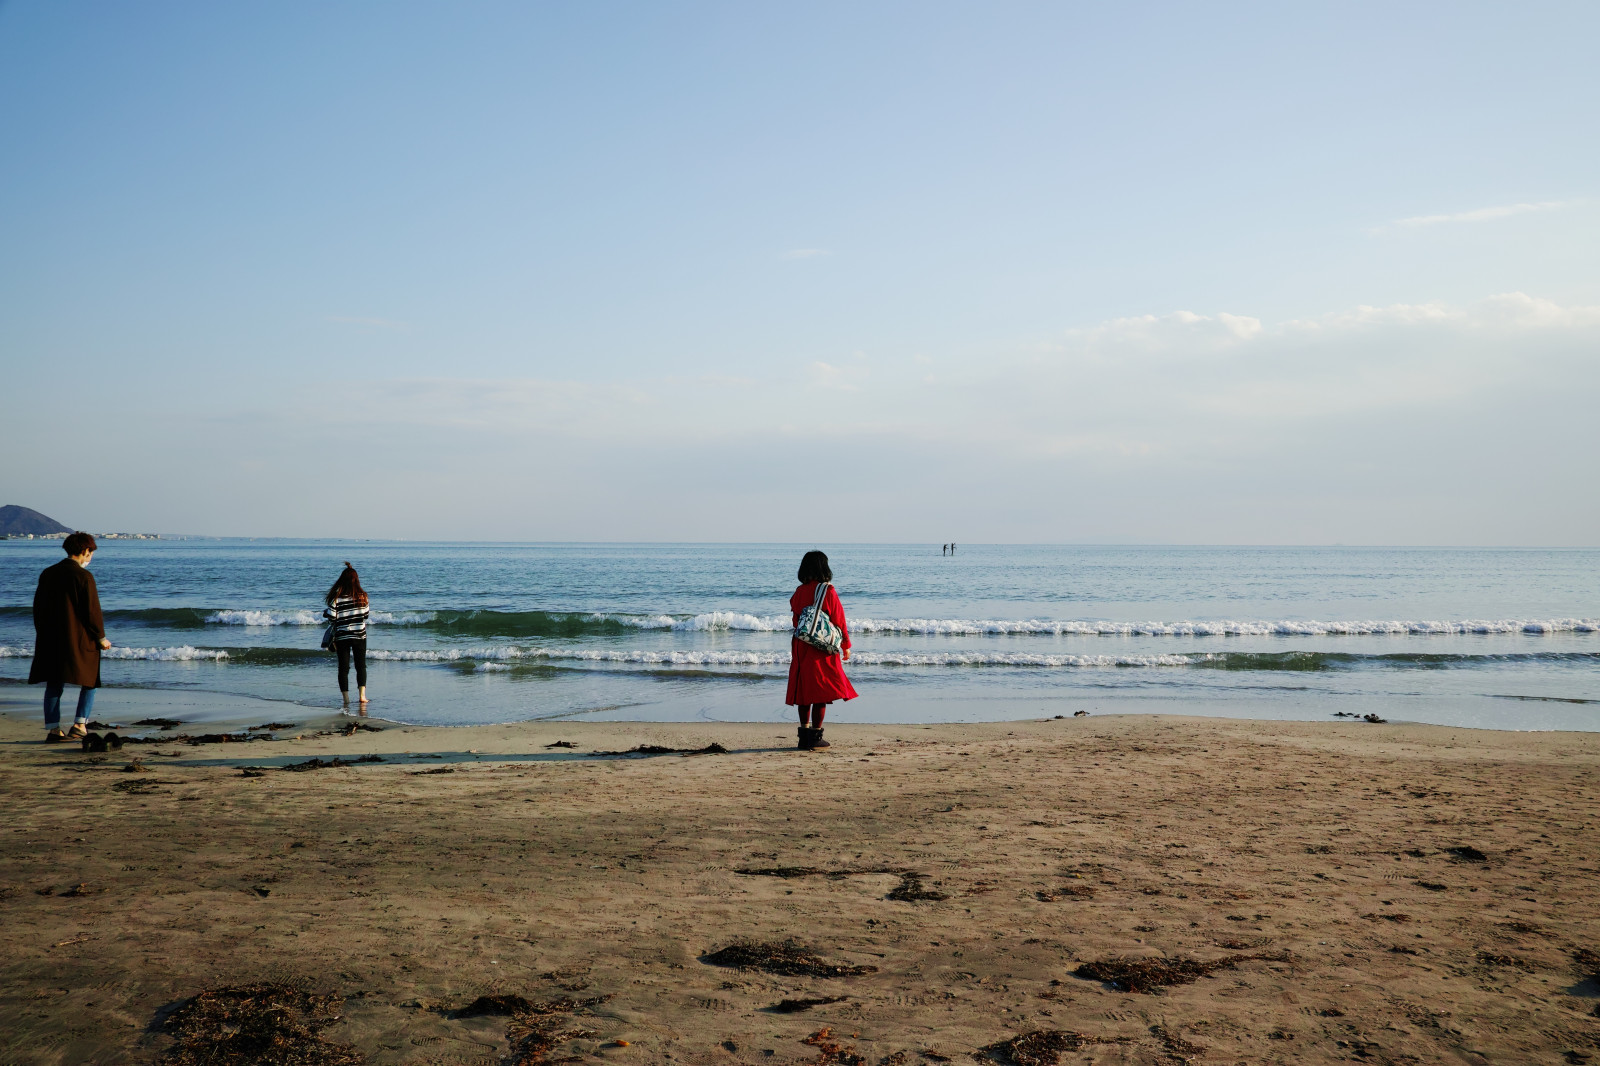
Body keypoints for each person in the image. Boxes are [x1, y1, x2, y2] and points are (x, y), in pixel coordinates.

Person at [29, 532, 111, 742]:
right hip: (80, 640)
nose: (91, 556)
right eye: (90, 552)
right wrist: (101, 637)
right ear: (85, 551)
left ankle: (53, 728)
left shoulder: (48, 573)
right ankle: (80, 724)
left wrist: (42, 632)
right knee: (90, 680)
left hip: (51, 638)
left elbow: (38, 608)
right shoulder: (84, 577)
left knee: (55, 682)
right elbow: (92, 611)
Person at [786, 550, 857, 750]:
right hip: (822, 646)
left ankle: (803, 736)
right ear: (824, 567)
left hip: (801, 644)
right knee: (820, 690)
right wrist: (846, 645)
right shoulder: (828, 591)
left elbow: (796, 620)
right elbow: (839, 621)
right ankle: (816, 736)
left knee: (803, 689)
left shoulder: (799, 592)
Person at [324, 562, 371, 711]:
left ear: (342, 580)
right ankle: (362, 696)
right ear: (357, 580)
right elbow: (366, 616)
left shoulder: (336, 598)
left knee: (343, 668)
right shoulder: (363, 596)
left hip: (342, 636)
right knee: (360, 665)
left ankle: (346, 699)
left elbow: (332, 617)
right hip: (359, 635)